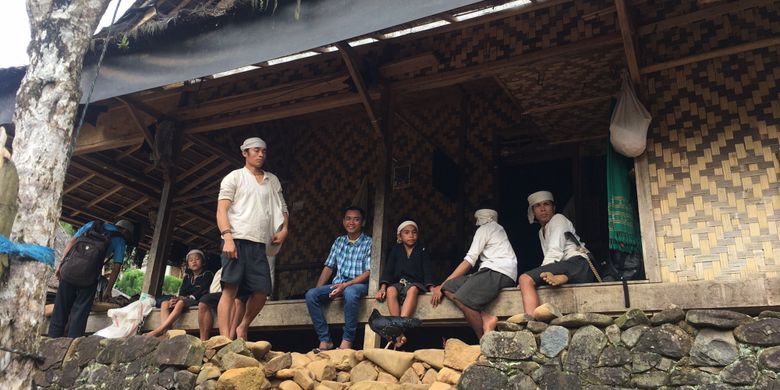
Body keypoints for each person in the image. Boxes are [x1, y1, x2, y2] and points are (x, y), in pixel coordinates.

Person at [216, 137, 289, 340]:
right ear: (245, 153)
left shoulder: (271, 179)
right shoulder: (234, 177)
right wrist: (227, 237)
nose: (260, 155)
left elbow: (283, 208)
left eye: (263, 152)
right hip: (236, 238)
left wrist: (284, 230)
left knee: (262, 290)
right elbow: (222, 210)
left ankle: (243, 325)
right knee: (230, 288)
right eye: (256, 151)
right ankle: (223, 338)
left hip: (259, 243)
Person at [430, 209, 517, 339]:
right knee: (449, 287)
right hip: (492, 271)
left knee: (462, 297)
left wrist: (441, 284)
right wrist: (444, 285)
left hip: (498, 271)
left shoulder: (486, 228)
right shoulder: (494, 228)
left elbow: (469, 261)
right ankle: (486, 318)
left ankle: (483, 340)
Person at [49, 220, 134, 338]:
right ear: (125, 231)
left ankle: (51, 342)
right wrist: (108, 290)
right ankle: (71, 348)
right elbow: (116, 267)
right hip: (89, 280)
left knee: (59, 311)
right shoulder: (119, 239)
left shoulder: (92, 224)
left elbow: (71, 242)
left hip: (69, 272)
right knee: (79, 316)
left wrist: (61, 265)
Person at [518, 191, 596, 316]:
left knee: (524, 279)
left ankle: (531, 320)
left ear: (553, 208)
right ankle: (563, 278)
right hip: (574, 270)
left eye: (546, 204)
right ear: (533, 211)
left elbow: (554, 253)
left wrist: (536, 277)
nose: (543, 209)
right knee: (541, 278)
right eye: (537, 206)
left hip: (579, 263)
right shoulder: (541, 231)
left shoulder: (558, 218)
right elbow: (553, 259)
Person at [305, 207, 372, 351]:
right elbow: (329, 267)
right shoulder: (339, 241)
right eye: (348, 218)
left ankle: (346, 341)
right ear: (343, 222)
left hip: (359, 284)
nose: (351, 222)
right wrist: (319, 290)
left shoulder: (368, 242)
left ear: (363, 222)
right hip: (338, 284)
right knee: (311, 295)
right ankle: (325, 340)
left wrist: (346, 285)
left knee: (350, 292)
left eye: (356, 219)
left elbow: (368, 272)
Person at [375, 220, 434, 348]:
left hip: (415, 283)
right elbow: (388, 270)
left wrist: (431, 288)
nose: (411, 235)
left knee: (412, 289)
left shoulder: (422, 250)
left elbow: (427, 270)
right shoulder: (396, 250)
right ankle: (400, 332)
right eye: (406, 233)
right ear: (399, 236)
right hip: (398, 283)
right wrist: (382, 287)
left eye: (414, 232)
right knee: (391, 290)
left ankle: (398, 330)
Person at [144, 250, 214, 337]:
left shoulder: (207, 274)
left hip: (198, 300)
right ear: (188, 265)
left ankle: (160, 329)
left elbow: (203, 289)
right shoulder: (187, 277)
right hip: (185, 300)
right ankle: (166, 332)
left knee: (181, 302)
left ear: (203, 262)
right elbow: (182, 291)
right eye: (191, 260)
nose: (194, 262)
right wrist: (176, 299)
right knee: (165, 303)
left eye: (197, 259)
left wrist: (185, 298)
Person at [197, 268, 249, 341]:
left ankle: (230, 338)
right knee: (203, 301)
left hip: (243, 291)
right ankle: (203, 340)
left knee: (237, 301)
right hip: (228, 290)